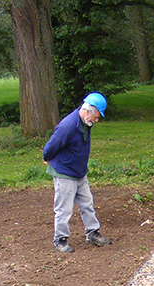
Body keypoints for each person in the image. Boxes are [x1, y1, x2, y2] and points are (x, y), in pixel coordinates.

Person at [43, 92, 111, 254]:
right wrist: (47, 157)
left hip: (79, 172)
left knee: (87, 204)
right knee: (64, 209)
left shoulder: (86, 123)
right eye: (96, 116)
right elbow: (51, 146)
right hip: (64, 173)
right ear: (88, 111)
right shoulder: (68, 126)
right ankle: (60, 239)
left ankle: (92, 233)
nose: (97, 120)